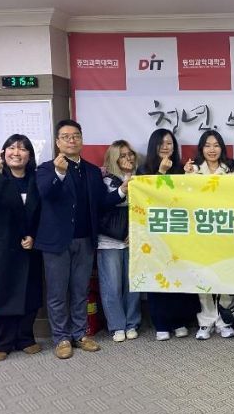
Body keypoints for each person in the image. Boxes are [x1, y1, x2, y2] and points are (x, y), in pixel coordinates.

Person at [35, 120, 127, 359]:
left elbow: (100, 203)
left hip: (85, 240)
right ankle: (61, 338)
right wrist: (59, 173)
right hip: (56, 243)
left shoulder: (92, 171)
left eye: (75, 135)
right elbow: (46, 194)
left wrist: (121, 191)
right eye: (66, 137)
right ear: (57, 142)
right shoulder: (45, 169)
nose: (71, 140)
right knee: (57, 293)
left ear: (81, 140)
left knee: (80, 290)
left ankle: (79, 334)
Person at [0, 135, 42, 362]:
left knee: (29, 293)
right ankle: (1, 342)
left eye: (22, 149)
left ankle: (25, 338)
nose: (16, 153)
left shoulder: (35, 179)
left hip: (27, 246)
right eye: (11, 148)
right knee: (0, 293)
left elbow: (42, 213)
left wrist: (34, 236)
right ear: (3, 152)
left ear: (29, 155)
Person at [137, 128, 198, 341]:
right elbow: (148, 199)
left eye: (170, 143)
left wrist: (189, 177)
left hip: (179, 231)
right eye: (161, 143)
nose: (165, 147)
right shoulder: (143, 169)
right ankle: (161, 324)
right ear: (153, 145)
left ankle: (179, 321)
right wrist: (161, 173)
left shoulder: (181, 168)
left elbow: (188, 198)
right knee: (158, 277)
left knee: (178, 277)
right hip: (154, 233)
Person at [184, 130, 234, 340]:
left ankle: (225, 320)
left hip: (225, 229)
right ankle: (205, 322)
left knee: (226, 275)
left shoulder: (230, 169)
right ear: (201, 149)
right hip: (201, 230)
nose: (212, 149)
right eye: (207, 145)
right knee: (203, 276)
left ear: (222, 148)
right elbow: (184, 197)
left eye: (216, 145)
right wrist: (186, 176)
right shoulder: (193, 170)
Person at [97, 140, 141, 343]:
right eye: (122, 155)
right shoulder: (104, 180)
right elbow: (102, 204)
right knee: (111, 285)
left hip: (134, 239)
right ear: (113, 159)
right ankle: (117, 325)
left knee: (133, 284)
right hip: (109, 241)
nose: (128, 158)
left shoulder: (141, 179)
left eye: (130, 154)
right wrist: (122, 189)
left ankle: (132, 323)